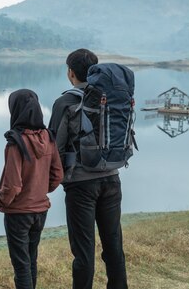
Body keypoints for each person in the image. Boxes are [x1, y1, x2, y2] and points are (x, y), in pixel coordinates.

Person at [48, 49, 128, 289]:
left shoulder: (66, 102)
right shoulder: (109, 97)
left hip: (80, 184)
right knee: (113, 244)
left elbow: (53, 146)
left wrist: (50, 181)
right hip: (112, 178)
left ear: (71, 73)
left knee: (84, 251)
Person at [0, 89, 63, 289]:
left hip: (19, 214)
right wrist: (39, 191)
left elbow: (12, 185)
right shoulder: (49, 138)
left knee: (21, 266)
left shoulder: (16, 143)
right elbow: (58, 175)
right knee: (31, 259)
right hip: (40, 211)